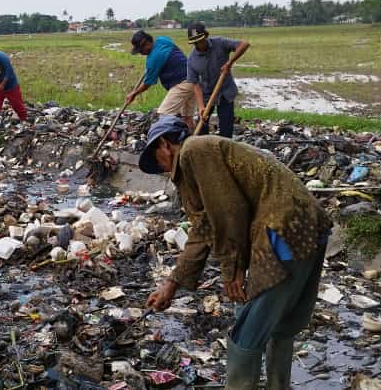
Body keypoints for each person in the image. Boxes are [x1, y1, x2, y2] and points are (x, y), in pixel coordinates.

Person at [138, 116, 331, 390]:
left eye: (156, 159)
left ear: (164, 144)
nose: (160, 168)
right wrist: (171, 284)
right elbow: (203, 230)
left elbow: (229, 213)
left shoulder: (195, 150)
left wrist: (233, 271)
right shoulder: (201, 159)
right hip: (309, 226)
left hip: (284, 229)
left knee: (247, 334)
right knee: (281, 324)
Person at [124, 30, 201, 132]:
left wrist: (134, 93)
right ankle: (193, 140)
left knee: (164, 114)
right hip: (194, 79)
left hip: (183, 83)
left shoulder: (153, 59)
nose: (141, 53)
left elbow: (148, 83)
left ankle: (170, 141)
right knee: (187, 117)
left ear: (147, 44)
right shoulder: (162, 40)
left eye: (140, 50)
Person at [185, 22, 250, 138]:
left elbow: (244, 44)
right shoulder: (192, 60)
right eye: (195, 42)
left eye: (201, 40)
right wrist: (200, 106)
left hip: (225, 91)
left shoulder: (220, 43)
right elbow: (195, 84)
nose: (199, 44)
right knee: (202, 127)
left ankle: (224, 150)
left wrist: (229, 63)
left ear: (206, 35)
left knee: (226, 129)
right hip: (206, 95)